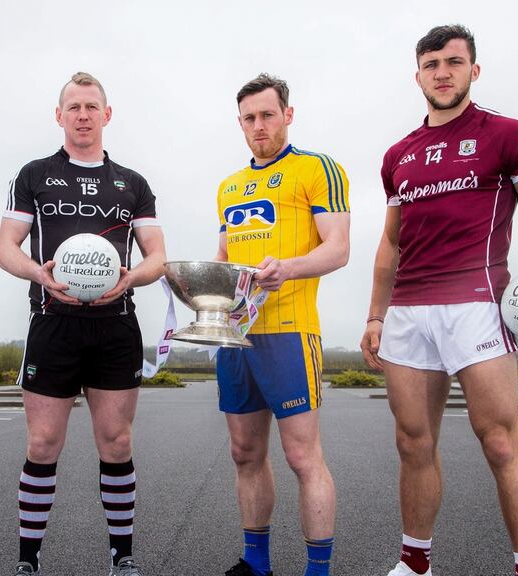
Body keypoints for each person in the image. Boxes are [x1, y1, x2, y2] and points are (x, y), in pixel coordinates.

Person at [361, 24, 518, 576]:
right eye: (431, 64)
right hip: (408, 310)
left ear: (474, 70)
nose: (441, 72)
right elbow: (391, 243)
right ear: (418, 74)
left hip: (477, 302)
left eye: (453, 62)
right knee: (412, 443)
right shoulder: (399, 154)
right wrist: (377, 314)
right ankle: (415, 563)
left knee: (499, 442)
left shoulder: (506, 134)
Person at [0, 71, 166, 576]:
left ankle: (123, 555)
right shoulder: (34, 174)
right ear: (59, 115)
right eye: (74, 107)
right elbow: (7, 248)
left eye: (92, 107)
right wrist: (38, 275)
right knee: (43, 444)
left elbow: (157, 256)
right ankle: (29, 559)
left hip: (115, 325)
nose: (84, 115)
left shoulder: (133, 183)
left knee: (116, 442)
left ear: (106, 115)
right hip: (53, 323)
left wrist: (131, 277)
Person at [215, 73, 350, 576]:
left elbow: (338, 248)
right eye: (249, 118)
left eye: (268, 115)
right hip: (236, 333)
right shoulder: (229, 186)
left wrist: (285, 270)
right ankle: (256, 564)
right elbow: (225, 257)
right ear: (240, 123)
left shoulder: (317, 169)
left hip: (291, 332)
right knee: (244, 452)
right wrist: (200, 293)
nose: (259, 126)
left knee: (302, 457)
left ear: (287, 115)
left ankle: (318, 571)